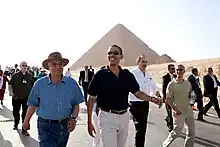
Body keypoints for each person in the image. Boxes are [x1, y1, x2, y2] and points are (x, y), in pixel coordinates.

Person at [87, 44, 162, 147]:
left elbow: (138, 93)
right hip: (107, 117)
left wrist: (152, 99)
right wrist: (89, 122)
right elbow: (91, 98)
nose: (112, 55)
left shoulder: (127, 75)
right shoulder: (100, 75)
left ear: (121, 56)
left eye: (115, 53)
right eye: (109, 53)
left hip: (124, 117)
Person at [23, 52, 84, 147]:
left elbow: (76, 103)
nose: (57, 67)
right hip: (45, 126)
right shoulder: (39, 85)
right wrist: (26, 121)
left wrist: (73, 119)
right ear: (48, 66)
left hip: (65, 126)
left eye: (60, 64)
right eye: (54, 64)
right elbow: (33, 104)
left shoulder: (71, 84)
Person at [129, 54, 162, 147]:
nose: (145, 63)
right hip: (135, 103)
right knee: (140, 128)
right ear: (138, 62)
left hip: (145, 103)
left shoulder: (148, 74)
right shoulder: (133, 73)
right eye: (143, 61)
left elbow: (154, 87)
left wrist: (158, 96)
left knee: (143, 128)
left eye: (146, 62)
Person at [163, 65, 195, 147]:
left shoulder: (188, 83)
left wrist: (191, 103)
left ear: (184, 71)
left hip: (188, 111)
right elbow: (168, 99)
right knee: (176, 133)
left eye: (181, 70)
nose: (179, 72)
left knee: (191, 132)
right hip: (178, 111)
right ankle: (165, 144)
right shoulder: (171, 84)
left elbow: (191, 95)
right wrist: (174, 109)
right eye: (177, 70)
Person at [8, 61, 35, 136]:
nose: (25, 66)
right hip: (16, 98)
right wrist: (10, 92)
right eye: (23, 65)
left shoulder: (30, 76)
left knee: (25, 114)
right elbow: (10, 84)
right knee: (16, 112)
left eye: (26, 65)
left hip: (26, 98)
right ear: (20, 66)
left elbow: (34, 86)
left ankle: (24, 129)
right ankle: (16, 123)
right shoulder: (15, 75)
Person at [162, 64, 176, 132]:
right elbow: (164, 88)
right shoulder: (165, 77)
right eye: (172, 69)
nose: (173, 70)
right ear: (169, 70)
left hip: (175, 98)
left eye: (174, 68)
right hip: (168, 97)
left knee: (174, 112)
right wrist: (165, 98)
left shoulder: (176, 76)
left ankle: (168, 119)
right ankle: (171, 127)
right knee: (169, 112)